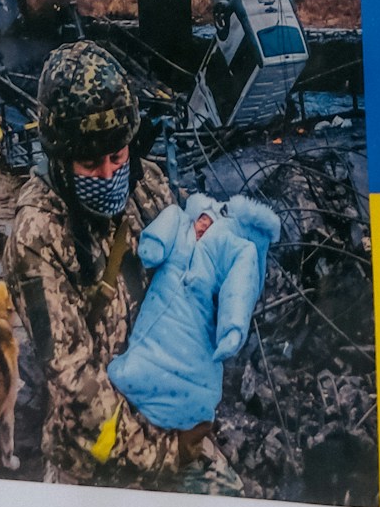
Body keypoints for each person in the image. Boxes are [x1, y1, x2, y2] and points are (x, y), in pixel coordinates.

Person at [5, 43, 176, 480]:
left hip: (170, 415)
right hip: (96, 461)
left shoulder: (148, 186)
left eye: (117, 157)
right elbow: (73, 380)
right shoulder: (38, 236)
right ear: (60, 161)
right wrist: (166, 457)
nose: (107, 174)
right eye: (89, 162)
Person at [107, 192, 278, 485]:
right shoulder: (179, 223)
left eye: (208, 222)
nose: (201, 226)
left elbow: (238, 287)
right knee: (137, 368)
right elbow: (160, 238)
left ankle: (185, 432)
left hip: (195, 344)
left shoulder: (230, 245)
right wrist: (154, 243)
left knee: (195, 394)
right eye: (199, 219)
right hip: (152, 340)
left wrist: (232, 328)